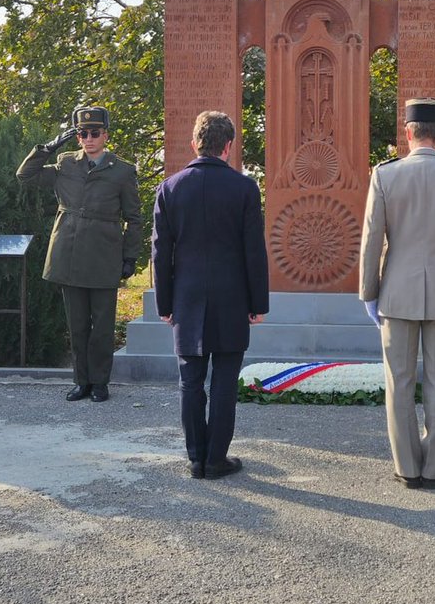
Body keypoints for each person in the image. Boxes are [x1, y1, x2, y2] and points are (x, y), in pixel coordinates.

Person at [359, 98, 435, 490]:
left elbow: (371, 240)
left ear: (408, 131)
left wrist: (368, 291)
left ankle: (407, 468)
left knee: (398, 379)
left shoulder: (385, 175)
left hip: (397, 292)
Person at [152, 111, 269, 481]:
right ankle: (216, 458)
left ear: (194, 144)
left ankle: (196, 457)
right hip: (232, 298)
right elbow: (254, 250)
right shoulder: (245, 189)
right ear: (229, 147)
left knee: (190, 381)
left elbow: (160, 252)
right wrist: (258, 303)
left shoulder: (170, 188)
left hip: (186, 299)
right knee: (223, 381)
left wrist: (164, 303)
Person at [17, 106, 142, 402]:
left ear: (106, 135)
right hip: (69, 252)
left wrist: (129, 257)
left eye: (95, 133)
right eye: (83, 133)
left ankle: (100, 383)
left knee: (102, 326)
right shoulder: (65, 164)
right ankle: (81, 381)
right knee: (76, 325)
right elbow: (25, 175)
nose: (88, 138)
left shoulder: (122, 170)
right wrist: (49, 146)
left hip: (104, 253)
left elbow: (134, 218)